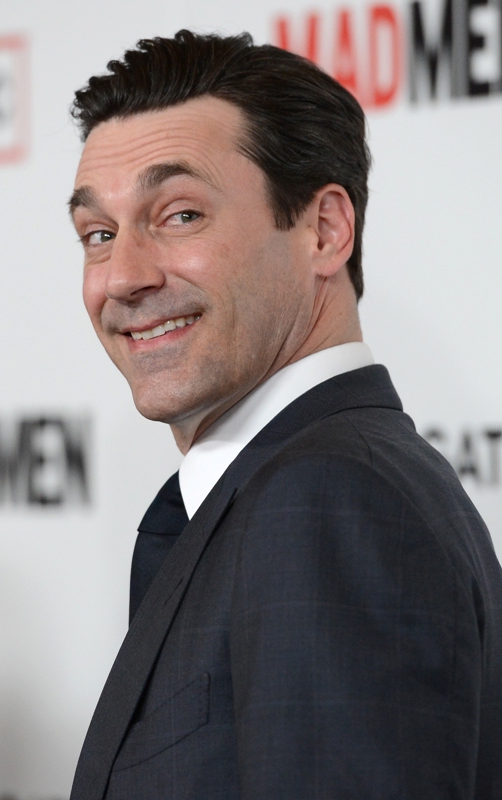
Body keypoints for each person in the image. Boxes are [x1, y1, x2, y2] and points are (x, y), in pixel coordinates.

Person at [67, 30, 502, 800]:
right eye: (99, 235)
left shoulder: (328, 500)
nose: (122, 277)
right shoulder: (298, 486)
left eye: (180, 215)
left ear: (324, 231)